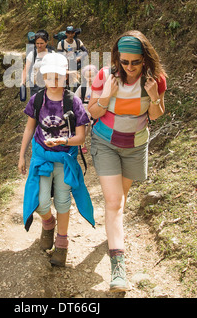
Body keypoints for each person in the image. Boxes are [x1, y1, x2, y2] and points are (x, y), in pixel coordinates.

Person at [88, 30, 167, 292]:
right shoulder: (105, 76)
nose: (130, 68)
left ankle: (113, 230)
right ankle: (118, 269)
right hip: (105, 143)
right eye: (124, 62)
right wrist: (106, 95)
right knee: (114, 202)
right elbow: (92, 112)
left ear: (145, 58)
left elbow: (155, 115)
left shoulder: (156, 80)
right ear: (117, 59)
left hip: (135, 146)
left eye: (135, 62)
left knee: (120, 200)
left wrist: (154, 96)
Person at [18, 53, 95, 267]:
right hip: (42, 158)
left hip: (64, 158)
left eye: (58, 77)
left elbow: (80, 137)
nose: (53, 82)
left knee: (62, 200)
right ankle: (48, 223)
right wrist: (22, 154)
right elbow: (29, 128)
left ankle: (62, 243)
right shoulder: (38, 100)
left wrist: (64, 140)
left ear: (65, 77)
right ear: (43, 77)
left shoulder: (74, 102)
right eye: (49, 77)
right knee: (40, 202)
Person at [21, 30, 54, 97]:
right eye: (37, 43)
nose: (39, 46)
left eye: (41, 43)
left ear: (46, 42)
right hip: (35, 86)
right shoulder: (32, 54)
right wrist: (22, 82)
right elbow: (25, 69)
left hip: (48, 86)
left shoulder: (52, 54)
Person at [75, 65, 98, 154]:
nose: (89, 78)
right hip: (84, 111)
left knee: (96, 129)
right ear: (84, 76)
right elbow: (76, 99)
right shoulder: (82, 87)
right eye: (87, 76)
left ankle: (96, 145)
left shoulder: (99, 87)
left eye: (92, 75)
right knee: (85, 129)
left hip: (96, 111)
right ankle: (81, 143)